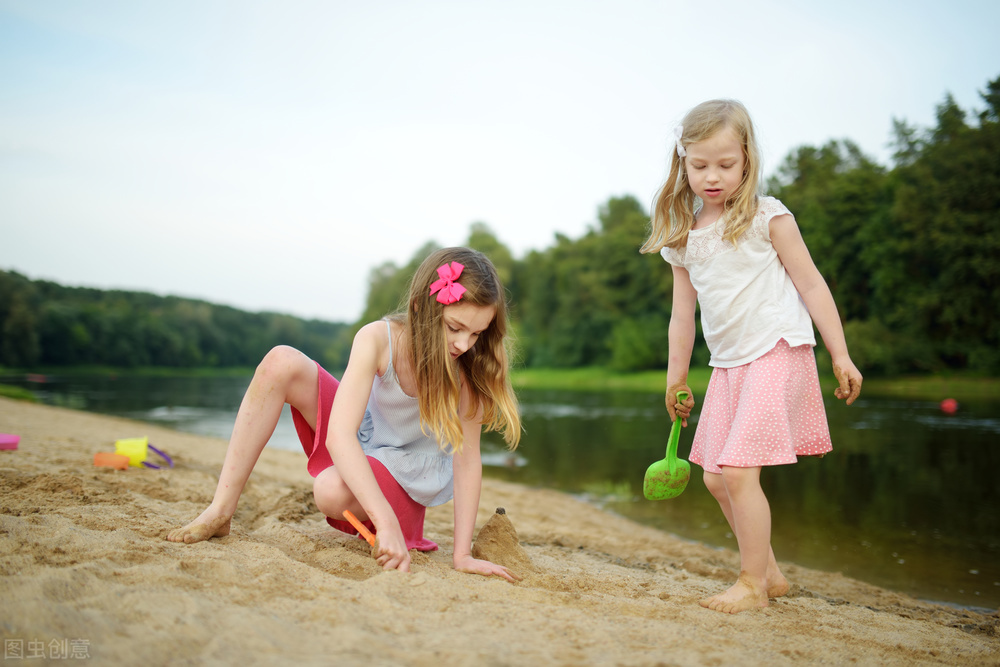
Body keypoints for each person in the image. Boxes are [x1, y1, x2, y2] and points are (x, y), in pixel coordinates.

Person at [167, 247, 523, 581]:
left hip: (404, 475)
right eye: (454, 328)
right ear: (419, 309)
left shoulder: (470, 368)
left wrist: (461, 555)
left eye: (477, 333)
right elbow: (340, 434)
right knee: (281, 361)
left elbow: (466, 460)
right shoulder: (377, 338)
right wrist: (382, 521)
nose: (464, 344)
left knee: (330, 491)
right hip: (363, 445)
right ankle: (220, 510)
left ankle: (401, 525)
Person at [640, 100, 863, 613]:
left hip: (778, 349)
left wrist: (841, 355)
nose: (712, 176)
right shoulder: (683, 239)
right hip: (728, 364)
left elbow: (810, 282)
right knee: (716, 476)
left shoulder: (768, 217)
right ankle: (772, 573)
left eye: (726, 165)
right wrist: (676, 379)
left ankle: (751, 583)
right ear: (683, 164)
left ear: (747, 161)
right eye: (700, 166)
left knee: (739, 473)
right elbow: (681, 317)